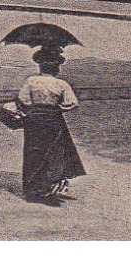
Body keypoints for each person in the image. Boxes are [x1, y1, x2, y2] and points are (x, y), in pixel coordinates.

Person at [15, 44, 86, 205]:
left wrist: (30, 111)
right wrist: (56, 108)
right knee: (54, 153)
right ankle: (49, 188)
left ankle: (32, 191)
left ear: (40, 65)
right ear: (57, 67)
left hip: (33, 121)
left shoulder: (31, 81)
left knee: (34, 153)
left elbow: (23, 100)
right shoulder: (61, 84)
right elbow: (72, 103)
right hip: (53, 120)